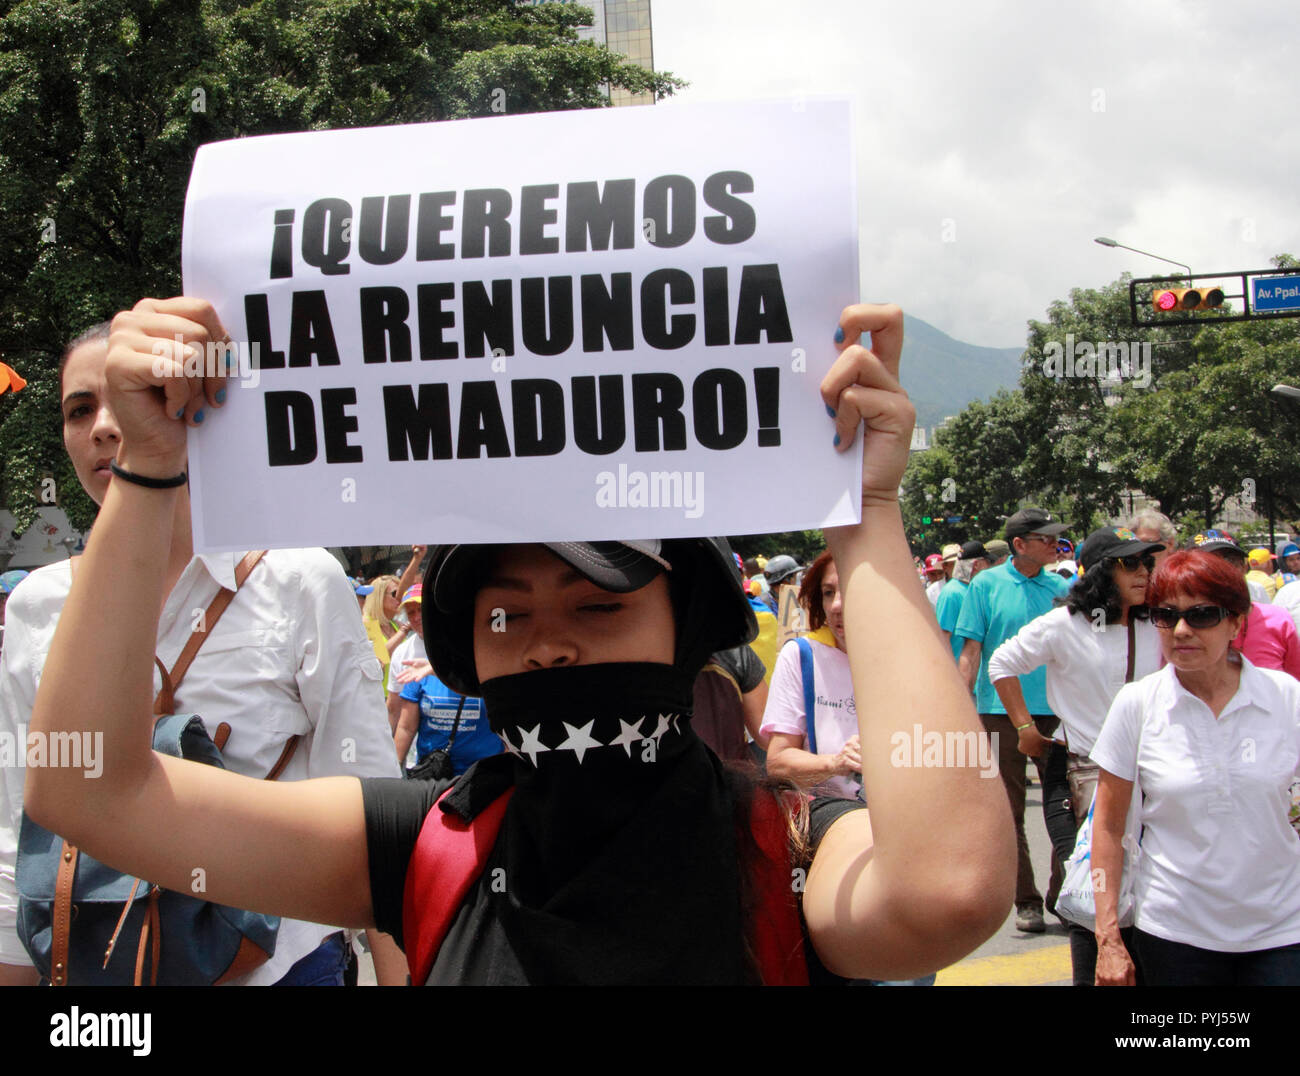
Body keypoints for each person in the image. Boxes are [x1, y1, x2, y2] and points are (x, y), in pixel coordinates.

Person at [22, 297, 1014, 986]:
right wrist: (152, 475)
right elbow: (92, 790)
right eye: (504, 613)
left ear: (688, 634)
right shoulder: (421, 843)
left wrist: (866, 511)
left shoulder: (789, 848)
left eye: (597, 606)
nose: (548, 646)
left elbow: (949, 891)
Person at [0, 322, 404, 987]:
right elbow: (23, 826)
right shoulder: (35, 606)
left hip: (285, 970)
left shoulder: (301, 579)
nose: (105, 425)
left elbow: (374, 815)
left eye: (141, 395)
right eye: (79, 409)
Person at [1092, 550, 1300, 986]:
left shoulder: (1285, 698)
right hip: (1174, 932)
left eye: (1202, 615)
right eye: (1165, 616)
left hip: (1283, 931)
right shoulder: (1138, 704)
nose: (1182, 631)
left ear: (1237, 623)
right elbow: (1107, 828)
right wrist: (1108, 937)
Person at [987, 526, 1164, 985]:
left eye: (1148, 563)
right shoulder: (1064, 624)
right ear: (1104, 571)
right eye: (1132, 564)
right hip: (1078, 778)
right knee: (1088, 896)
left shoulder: (1158, 625)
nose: (1145, 572)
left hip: (1149, 780)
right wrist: (1025, 728)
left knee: (1146, 891)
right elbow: (1001, 663)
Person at [955, 506, 1071, 934]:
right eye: (1045, 538)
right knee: (1010, 810)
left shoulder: (1061, 587)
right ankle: (1027, 900)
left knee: (1067, 805)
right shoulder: (984, 585)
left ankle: (1062, 894)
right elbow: (971, 651)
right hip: (999, 712)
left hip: (1057, 713)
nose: (1054, 544)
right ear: (1019, 545)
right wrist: (959, 706)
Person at [760, 551, 862, 801]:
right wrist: (836, 763)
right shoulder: (800, 656)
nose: (837, 605)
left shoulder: (909, 656)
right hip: (831, 822)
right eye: (829, 592)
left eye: (850, 589)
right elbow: (778, 762)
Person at [936, 541, 989, 661]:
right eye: (987, 562)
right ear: (976, 565)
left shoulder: (974, 589)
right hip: (958, 672)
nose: (989, 567)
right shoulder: (951, 593)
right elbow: (943, 637)